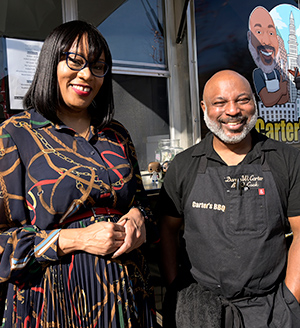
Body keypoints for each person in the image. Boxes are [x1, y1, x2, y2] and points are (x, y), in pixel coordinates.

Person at [0, 20, 158, 327]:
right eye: (75, 61)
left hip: (128, 300)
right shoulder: (15, 136)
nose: (86, 74)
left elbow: (145, 208)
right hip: (53, 304)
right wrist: (75, 239)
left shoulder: (116, 135)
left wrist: (139, 218)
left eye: (98, 66)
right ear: (50, 61)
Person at [158, 70, 300, 327]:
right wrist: (175, 291)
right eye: (220, 103)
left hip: (271, 312)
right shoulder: (183, 166)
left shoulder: (286, 160)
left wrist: (291, 301)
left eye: (242, 100)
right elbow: (168, 232)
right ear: (204, 108)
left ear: (254, 102)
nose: (232, 111)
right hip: (198, 312)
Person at [247, 6, 289, 107]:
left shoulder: (277, 72)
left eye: (271, 33)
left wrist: (278, 95)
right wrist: (281, 91)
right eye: (258, 32)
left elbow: (285, 99)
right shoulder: (258, 73)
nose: (266, 40)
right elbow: (266, 101)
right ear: (249, 37)